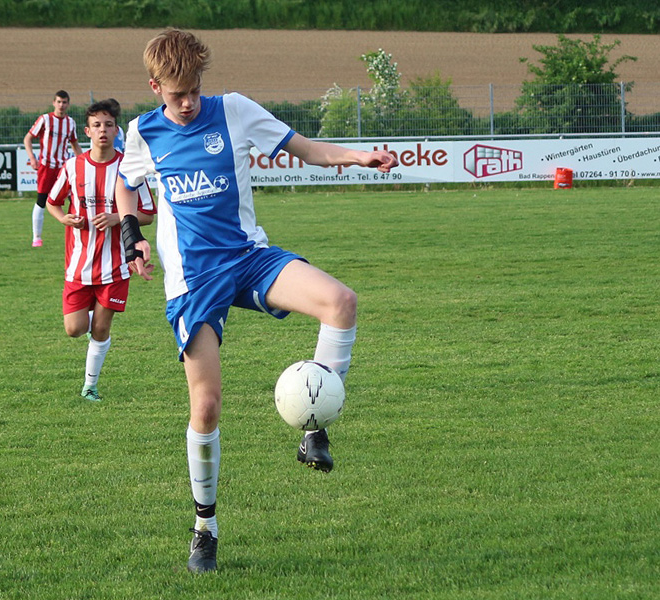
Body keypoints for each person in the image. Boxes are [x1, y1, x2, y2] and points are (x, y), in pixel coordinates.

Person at [114, 29, 399, 573]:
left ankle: (314, 428)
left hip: (249, 258)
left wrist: (360, 157)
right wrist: (133, 237)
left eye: (195, 89)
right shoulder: (143, 132)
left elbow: (306, 149)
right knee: (207, 405)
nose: (189, 101)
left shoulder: (236, 111)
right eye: (177, 94)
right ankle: (205, 528)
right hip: (193, 282)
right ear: (155, 87)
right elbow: (126, 186)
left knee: (340, 301)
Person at [46, 100, 156, 402]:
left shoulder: (128, 168)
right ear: (87, 131)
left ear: (116, 130)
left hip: (116, 265)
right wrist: (64, 218)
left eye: (108, 125)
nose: (103, 130)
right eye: (97, 125)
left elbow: (147, 213)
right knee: (74, 328)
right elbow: (52, 202)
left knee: (101, 328)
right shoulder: (72, 167)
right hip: (79, 267)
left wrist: (118, 217)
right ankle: (93, 307)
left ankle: (90, 386)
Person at [25, 90, 84, 247]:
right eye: (59, 102)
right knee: (42, 200)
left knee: (75, 198)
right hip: (46, 166)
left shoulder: (70, 123)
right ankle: (36, 237)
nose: (61, 105)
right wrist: (32, 157)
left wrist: (83, 162)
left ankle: (80, 232)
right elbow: (28, 138)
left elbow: (75, 144)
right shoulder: (45, 119)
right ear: (54, 103)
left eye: (64, 102)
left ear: (68, 104)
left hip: (64, 167)